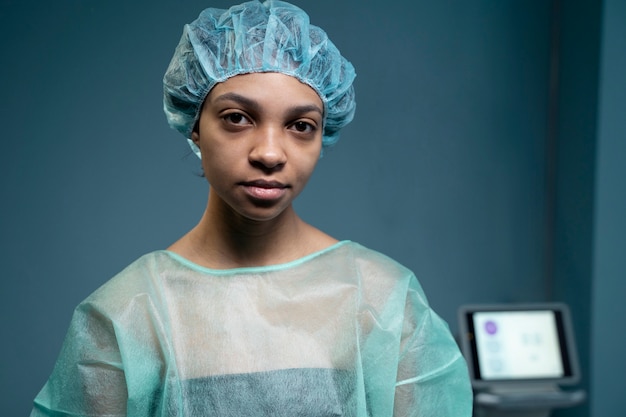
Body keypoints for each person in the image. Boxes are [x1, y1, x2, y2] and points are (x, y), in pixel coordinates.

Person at [30, 1, 472, 416]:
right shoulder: (125, 317)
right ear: (195, 127)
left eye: (301, 126)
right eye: (237, 118)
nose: (270, 153)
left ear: (323, 137)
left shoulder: (384, 302)